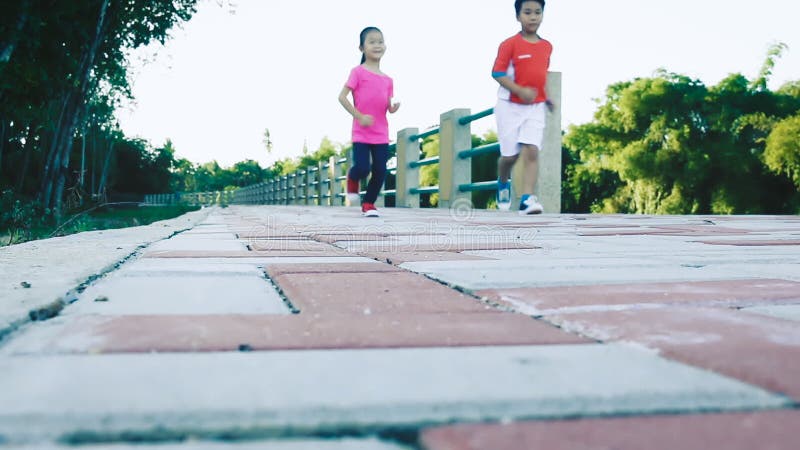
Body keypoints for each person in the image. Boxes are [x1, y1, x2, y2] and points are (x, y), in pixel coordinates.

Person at [492, 0, 554, 215]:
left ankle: (527, 199)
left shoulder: (547, 46)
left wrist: (548, 97)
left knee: (532, 150)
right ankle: (502, 182)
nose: (533, 17)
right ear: (518, 16)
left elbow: (540, 76)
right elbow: (497, 74)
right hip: (509, 105)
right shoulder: (509, 44)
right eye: (527, 12)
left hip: (534, 107)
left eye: (538, 12)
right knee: (510, 157)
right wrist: (520, 90)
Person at [338, 26, 400, 217]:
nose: (377, 45)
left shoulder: (388, 79)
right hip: (361, 131)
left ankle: (368, 204)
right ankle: (352, 177)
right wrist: (359, 116)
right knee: (363, 168)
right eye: (372, 42)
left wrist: (392, 108)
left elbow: (385, 105)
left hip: (381, 133)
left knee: (381, 170)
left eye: (380, 41)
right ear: (361, 48)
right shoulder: (357, 72)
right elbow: (342, 97)